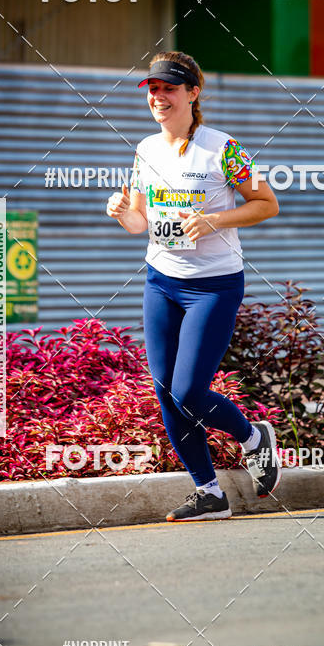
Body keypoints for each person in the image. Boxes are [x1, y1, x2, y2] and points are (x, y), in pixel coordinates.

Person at [106, 51, 281, 522]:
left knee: (188, 392)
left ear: (193, 93)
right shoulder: (145, 149)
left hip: (214, 286)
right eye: (153, 89)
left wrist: (215, 219)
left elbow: (267, 204)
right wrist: (122, 213)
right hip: (161, 282)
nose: (159, 97)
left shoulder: (224, 148)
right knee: (165, 391)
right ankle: (209, 493)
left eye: (169, 88)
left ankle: (253, 437)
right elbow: (140, 222)